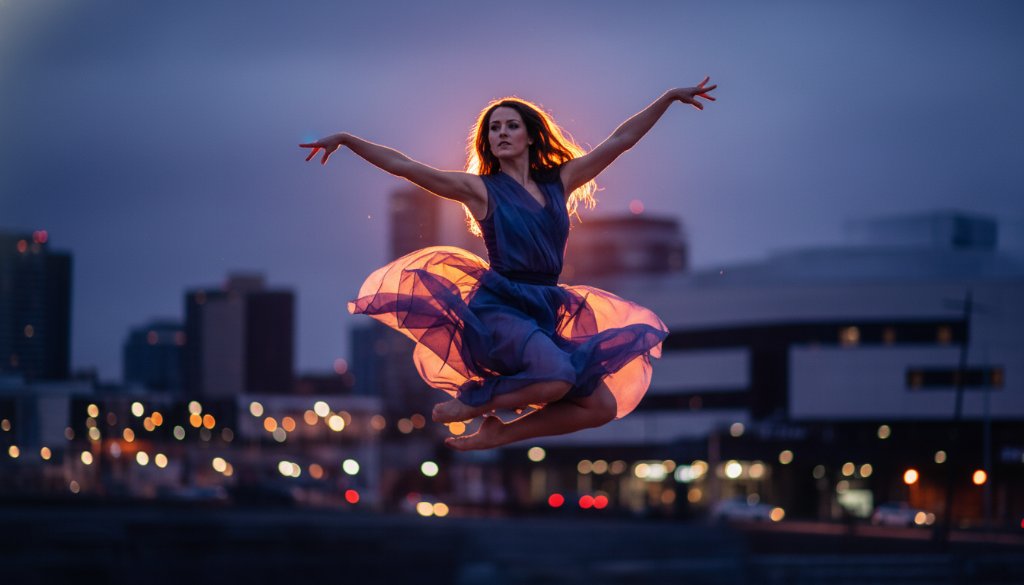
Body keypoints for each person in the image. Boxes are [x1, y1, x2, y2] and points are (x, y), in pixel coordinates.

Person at [300, 78, 717, 450]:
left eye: (510, 125)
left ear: (531, 136)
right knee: (556, 380)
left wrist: (666, 99)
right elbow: (406, 166)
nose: (501, 133)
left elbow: (619, 140)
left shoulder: (560, 182)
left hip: (546, 306)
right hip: (500, 306)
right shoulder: (480, 190)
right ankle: (475, 399)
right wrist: (349, 140)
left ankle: (502, 433)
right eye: (493, 128)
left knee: (601, 406)